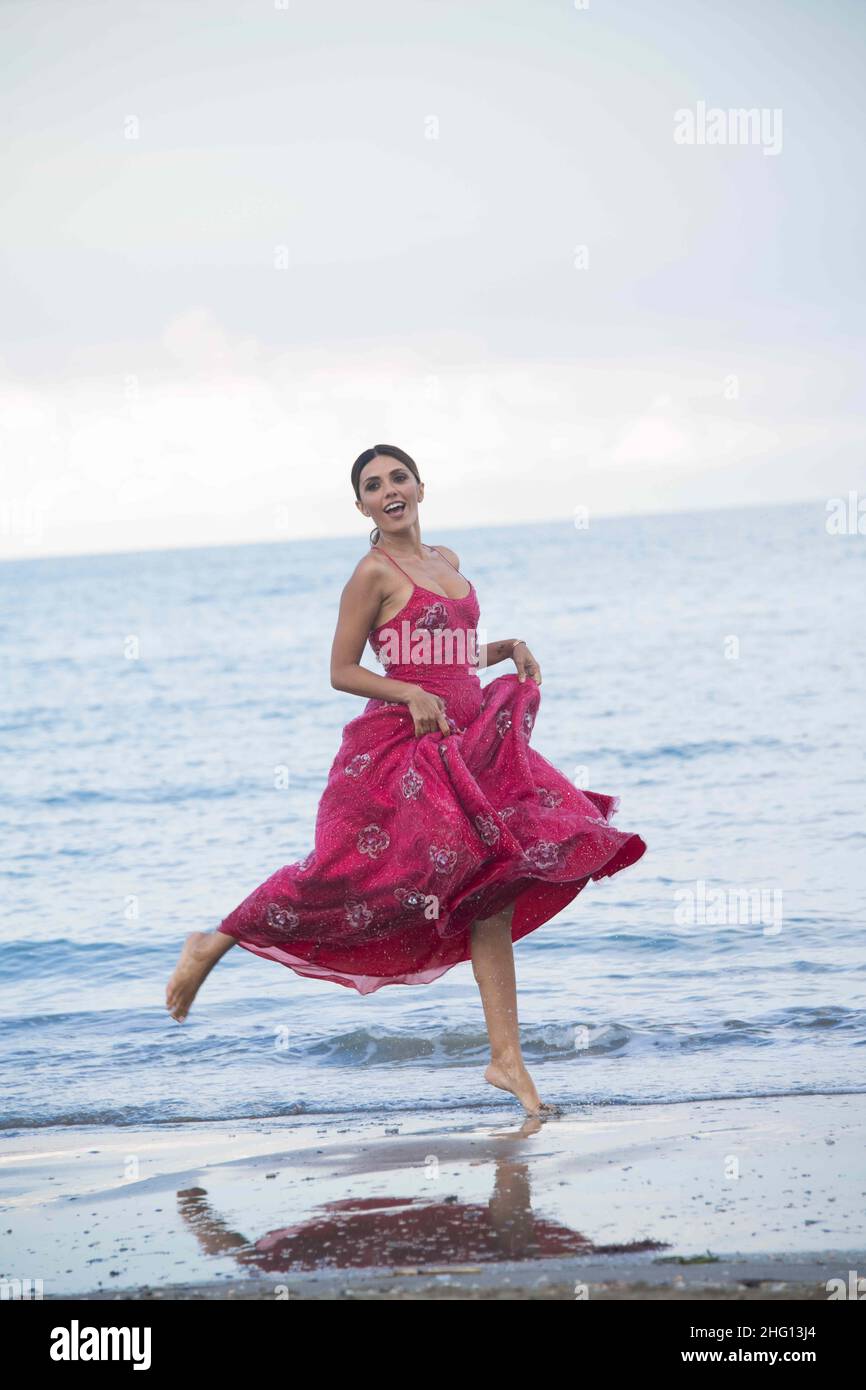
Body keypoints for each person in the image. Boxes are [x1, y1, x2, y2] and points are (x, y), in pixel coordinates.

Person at [167, 444, 647, 1116]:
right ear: (362, 505)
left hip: (474, 741)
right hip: (408, 749)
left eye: (397, 477)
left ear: (420, 486)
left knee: (494, 891)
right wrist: (408, 697)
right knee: (344, 876)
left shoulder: (446, 561)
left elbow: (442, 653)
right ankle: (216, 938)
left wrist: (500, 649)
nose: (388, 490)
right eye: (372, 485)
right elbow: (341, 669)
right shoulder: (371, 573)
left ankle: (506, 1060)